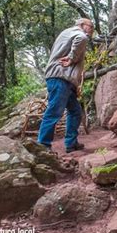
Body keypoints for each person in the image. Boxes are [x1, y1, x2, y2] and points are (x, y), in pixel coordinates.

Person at [37, 18, 94, 153]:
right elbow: (82, 39)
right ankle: (43, 146)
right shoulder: (78, 33)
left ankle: (71, 143)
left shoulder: (67, 33)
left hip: (65, 80)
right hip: (60, 77)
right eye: (90, 26)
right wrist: (71, 57)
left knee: (75, 111)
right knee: (54, 111)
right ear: (81, 25)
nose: (92, 30)